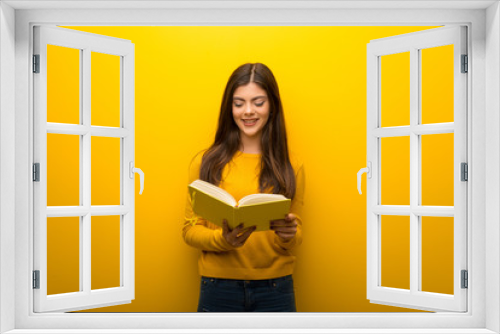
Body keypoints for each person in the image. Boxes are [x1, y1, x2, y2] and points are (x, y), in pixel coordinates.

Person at [182, 62, 305, 312]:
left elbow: (297, 233)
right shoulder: (205, 162)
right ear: (230, 108)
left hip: (276, 288)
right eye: (239, 103)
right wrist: (223, 240)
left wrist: (289, 235)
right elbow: (189, 231)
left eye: (258, 102)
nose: (248, 111)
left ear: (272, 106)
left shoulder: (292, 165)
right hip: (218, 286)